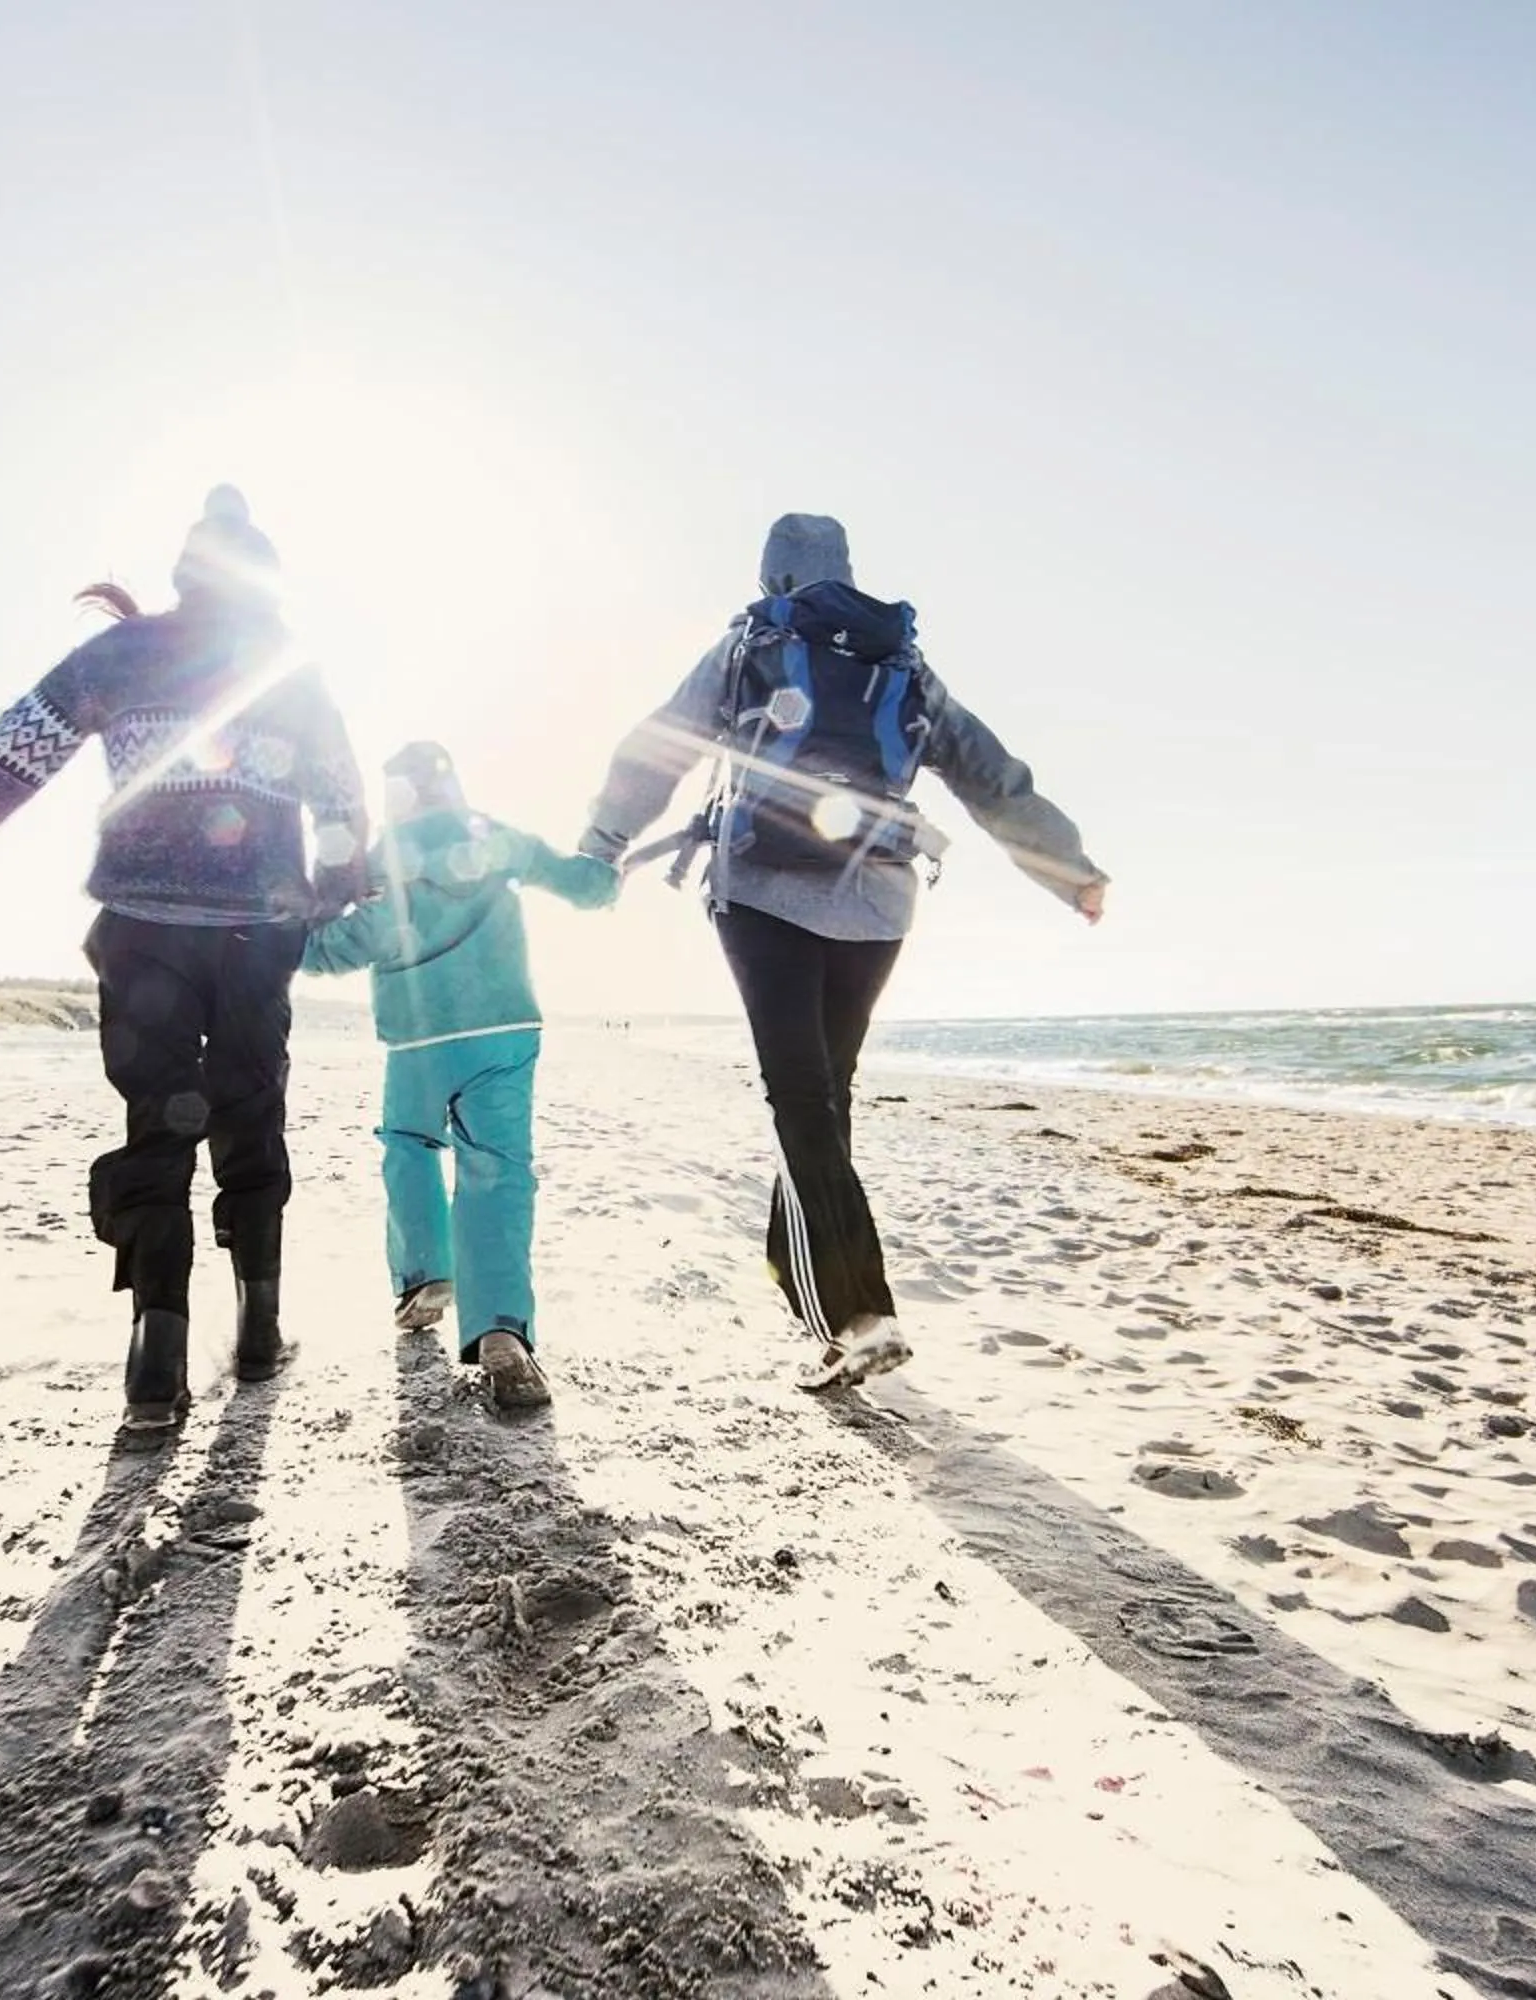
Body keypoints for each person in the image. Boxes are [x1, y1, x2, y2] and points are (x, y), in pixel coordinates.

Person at [576, 513, 1105, 1391]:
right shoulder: (901, 663)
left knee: (800, 1100)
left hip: (762, 892)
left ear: (770, 575)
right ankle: (819, 1301)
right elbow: (991, 775)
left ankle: (860, 1315)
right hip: (877, 903)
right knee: (825, 1097)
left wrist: (602, 843)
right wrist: (1070, 871)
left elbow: (659, 747)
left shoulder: (753, 641)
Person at [0, 486, 367, 1439]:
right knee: (252, 1110)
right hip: (255, 931)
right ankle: (259, 1328)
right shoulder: (290, 669)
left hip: (144, 928)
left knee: (157, 1124)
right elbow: (339, 799)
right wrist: (331, 888)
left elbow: (18, 746)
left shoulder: (123, 653)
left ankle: (155, 1356)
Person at [301, 741, 620, 1410]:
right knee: (498, 1169)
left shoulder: (384, 861)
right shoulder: (496, 837)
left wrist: (302, 933)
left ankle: (425, 1276)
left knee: (410, 1145)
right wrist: (608, 869)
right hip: (504, 1028)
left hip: (419, 1036)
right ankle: (501, 1328)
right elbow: (582, 884)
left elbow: (337, 948)